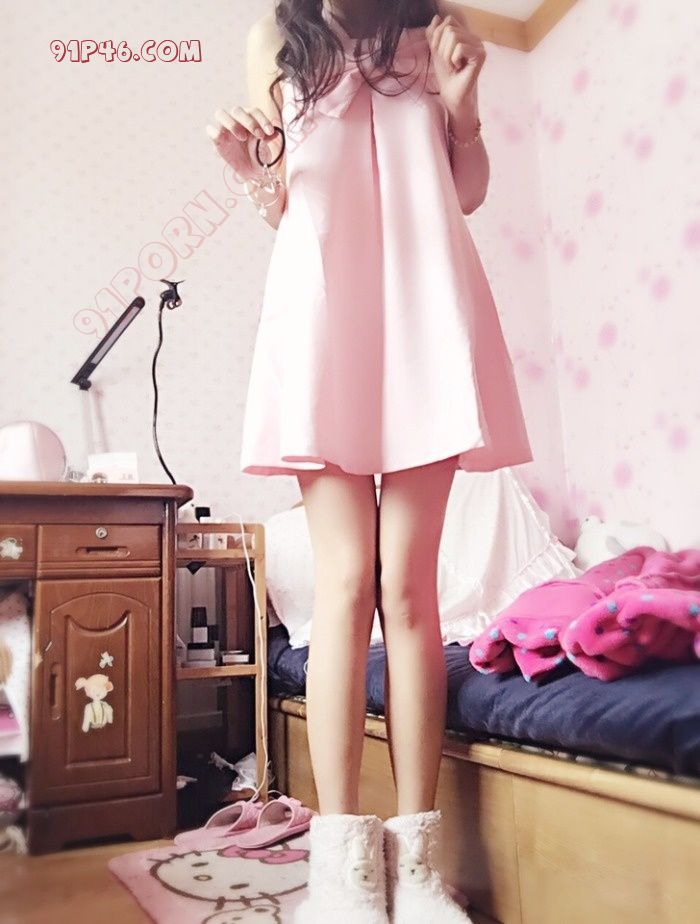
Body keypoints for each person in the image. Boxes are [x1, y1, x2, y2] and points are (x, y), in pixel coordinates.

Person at [206, 2, 533, 921]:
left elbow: (466, 192)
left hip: (428, 310)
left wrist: (462, 105)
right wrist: (252, 171)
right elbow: (288, 207)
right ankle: (342, 869)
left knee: (410, 589)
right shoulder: (276, 40)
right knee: (345, 584)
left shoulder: (436, 27)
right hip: (324, 317)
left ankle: (417, 866)